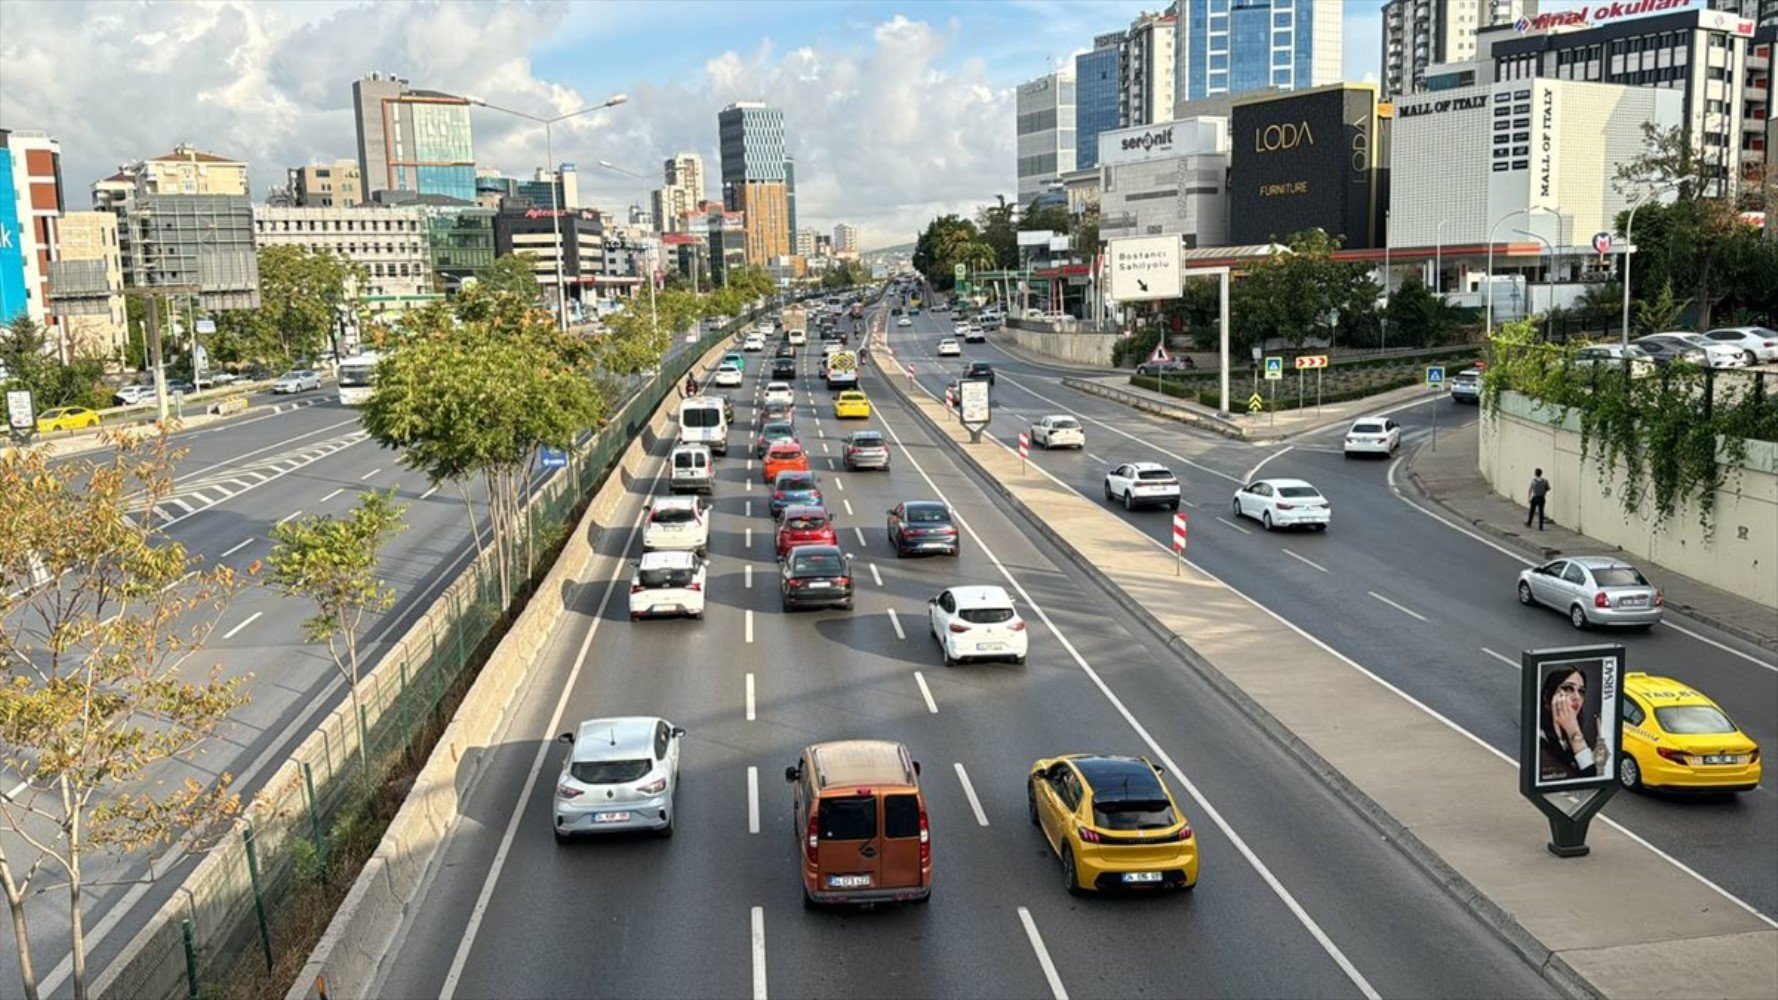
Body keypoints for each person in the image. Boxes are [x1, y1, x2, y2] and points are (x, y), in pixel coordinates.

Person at [1538, 666, 1608, 784]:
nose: (1577, 697)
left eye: (1581, 691)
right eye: (1568, 688)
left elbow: (1594, 780)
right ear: (1547, 696)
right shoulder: (1539, 742)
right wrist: (1573, 730)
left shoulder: (1585, 743)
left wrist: (1573, 730)